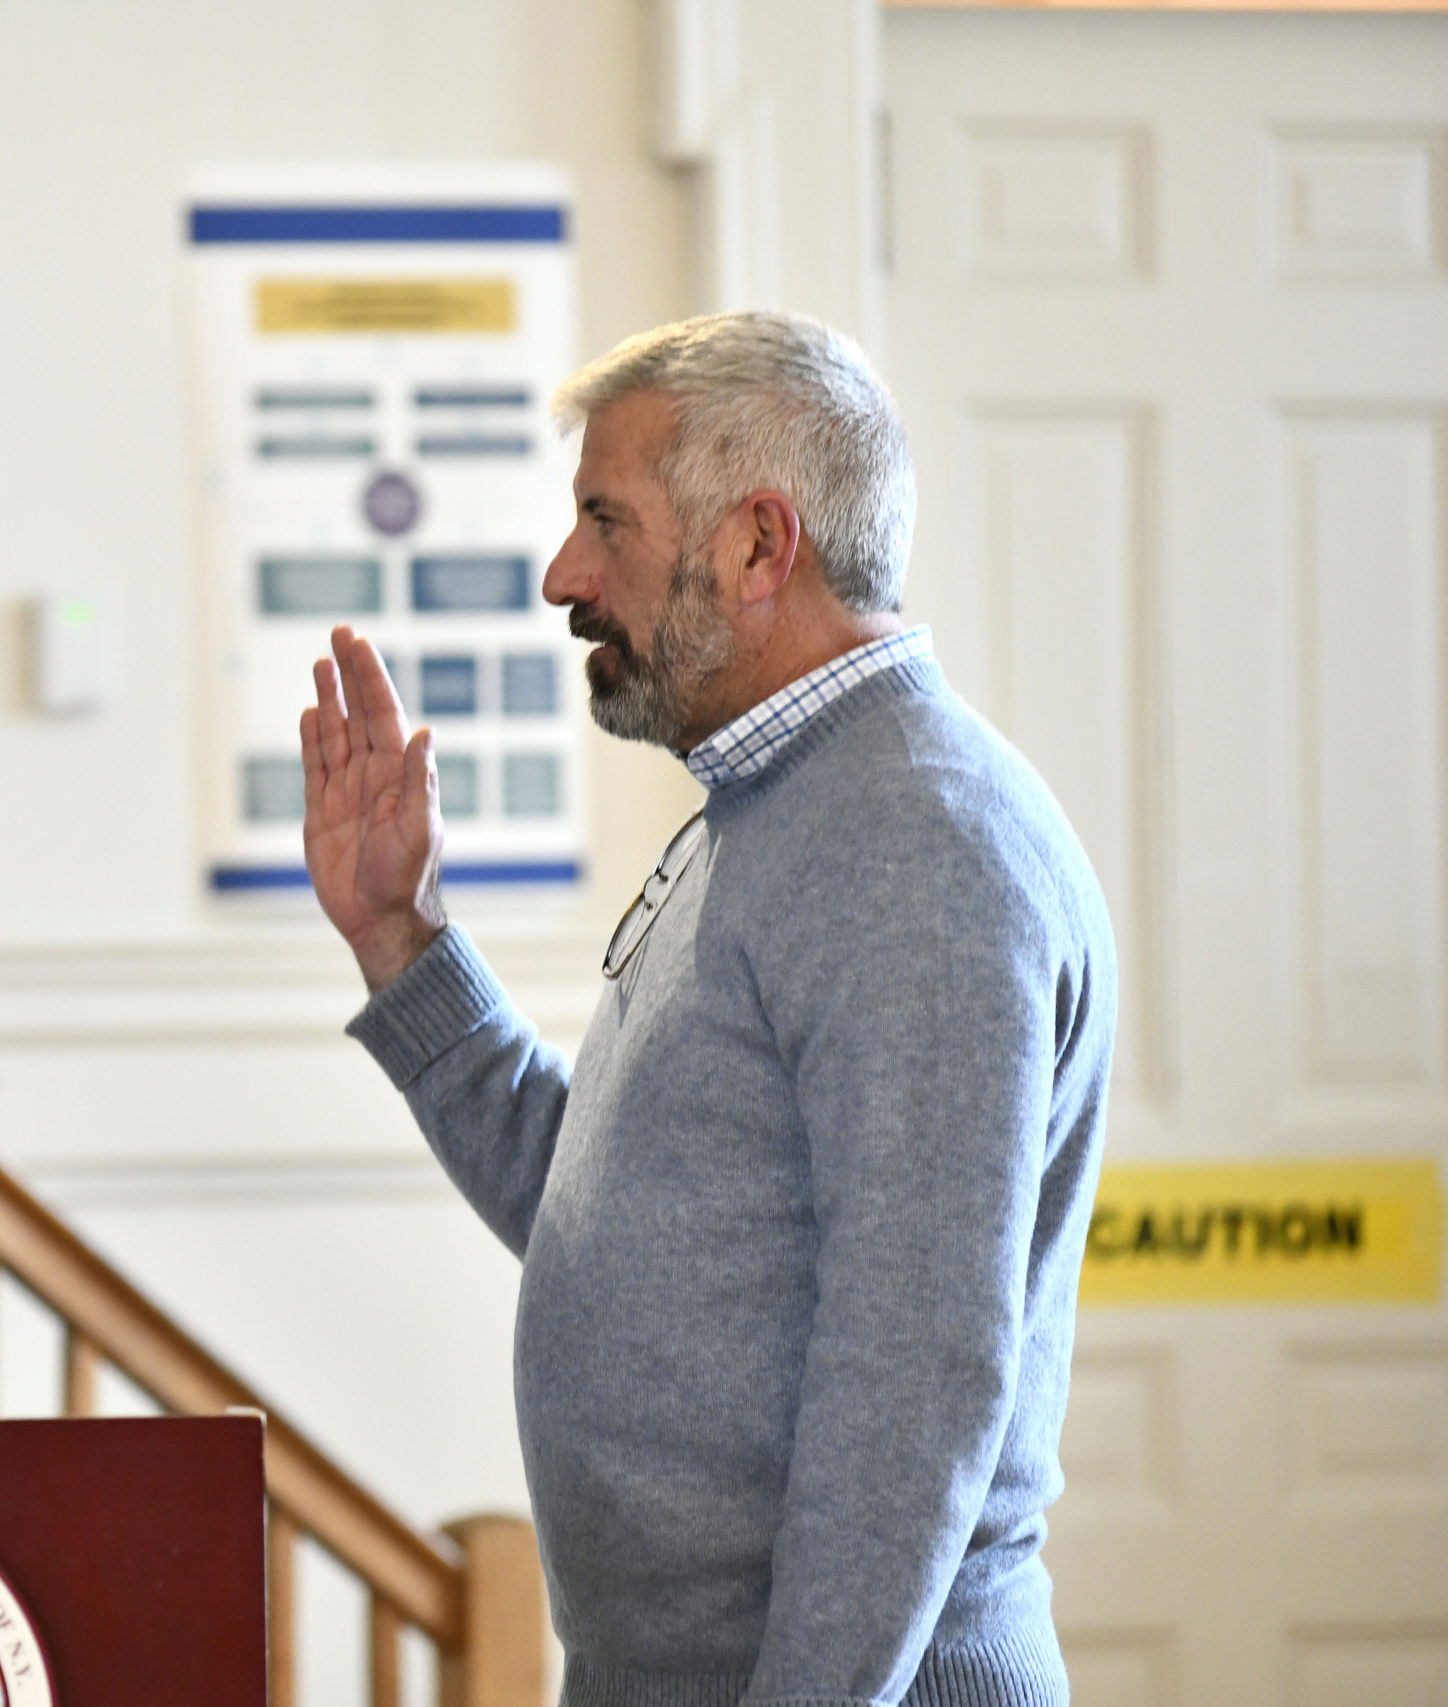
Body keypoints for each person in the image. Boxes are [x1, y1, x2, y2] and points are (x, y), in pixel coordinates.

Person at [302, 310, 1115, 1706]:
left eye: (603, 521)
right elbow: (609, 1205)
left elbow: (913, 1386)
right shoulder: (781, 806)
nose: (564, 574)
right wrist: (399, 934)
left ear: (756, 543)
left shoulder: (915, 843)